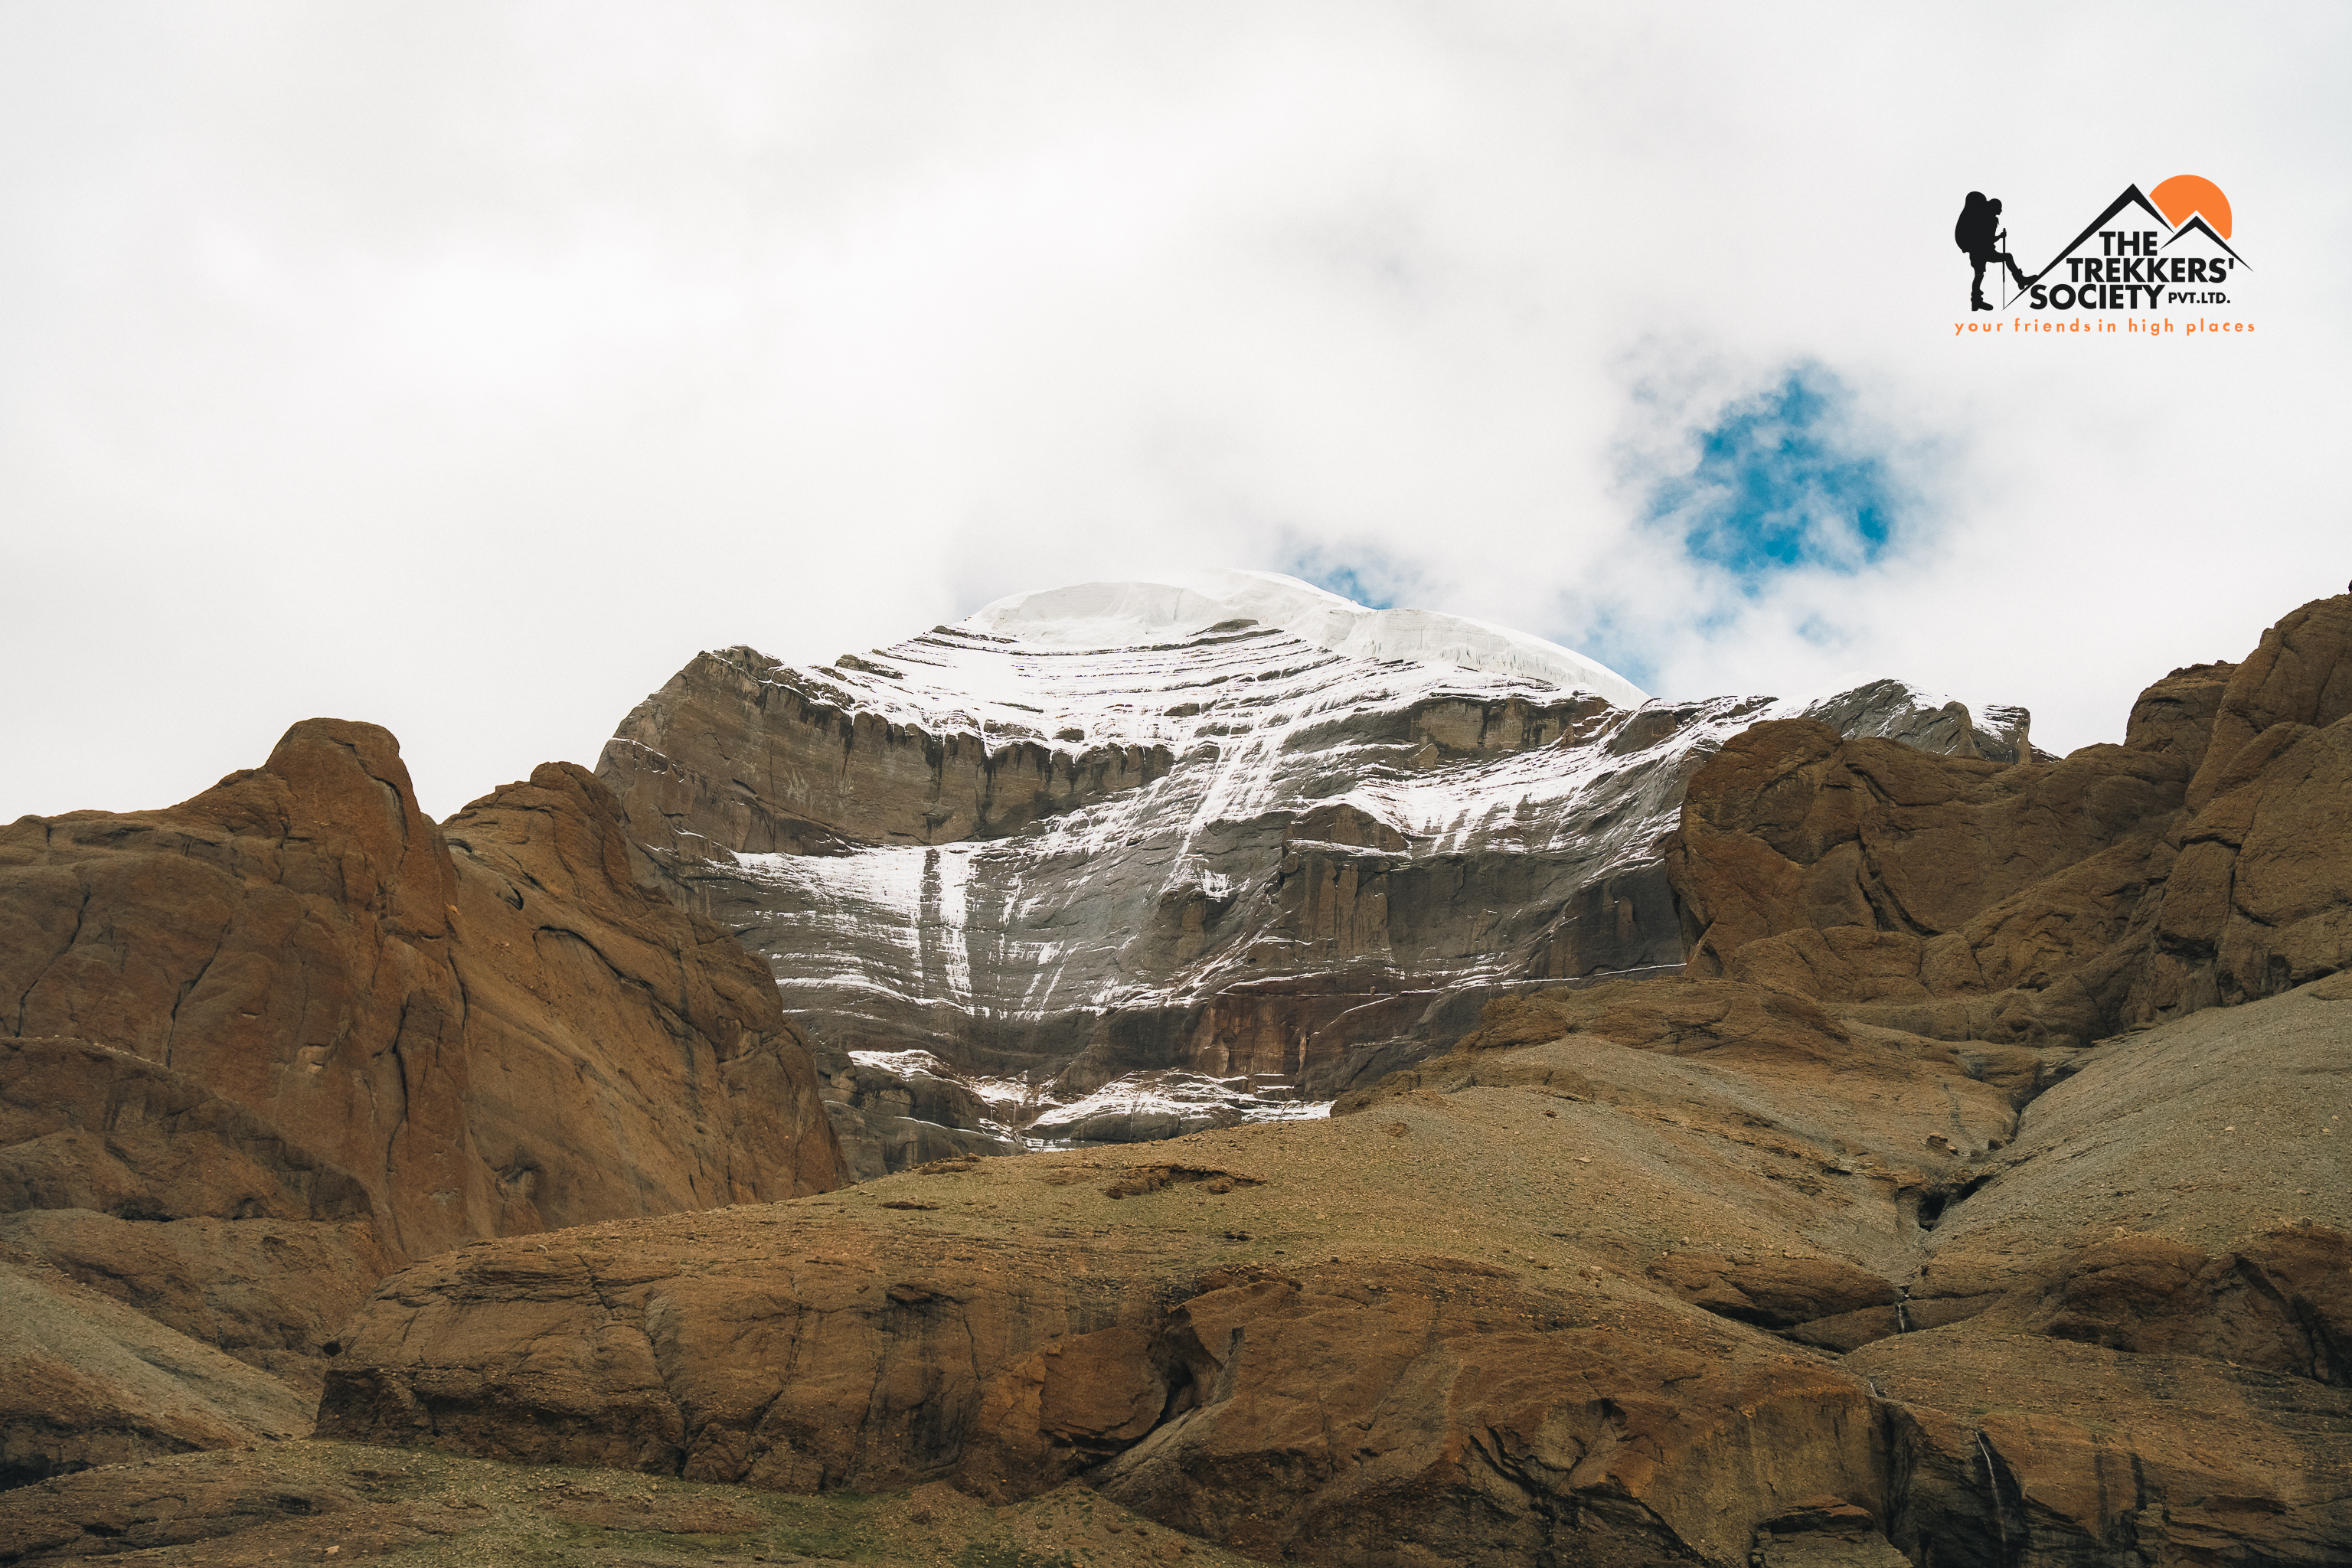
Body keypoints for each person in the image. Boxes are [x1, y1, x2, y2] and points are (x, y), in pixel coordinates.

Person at [1955, 192, 2032, 311]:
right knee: (2005, 259)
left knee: (1979, 275)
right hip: (1983, 252)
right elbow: (1987, 238)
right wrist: (1999, 237)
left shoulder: (1982, 218)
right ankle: (2020, 280)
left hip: (1978, 252)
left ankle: (1976, 302)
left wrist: (1998, 237)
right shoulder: (1989, 220)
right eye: (1999, 209)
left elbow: (1985, 238)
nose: (2000, 212)